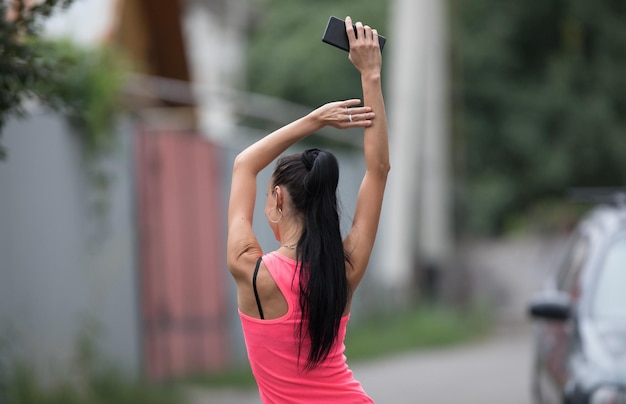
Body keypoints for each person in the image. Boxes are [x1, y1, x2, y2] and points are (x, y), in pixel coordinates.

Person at [227, 16, 389, 403]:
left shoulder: (250, 269)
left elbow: (244, 165)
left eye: (268, 195)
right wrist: (371, 75)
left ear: (278, 199)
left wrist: (315, 119)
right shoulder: (343, 267)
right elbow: (378, 171)